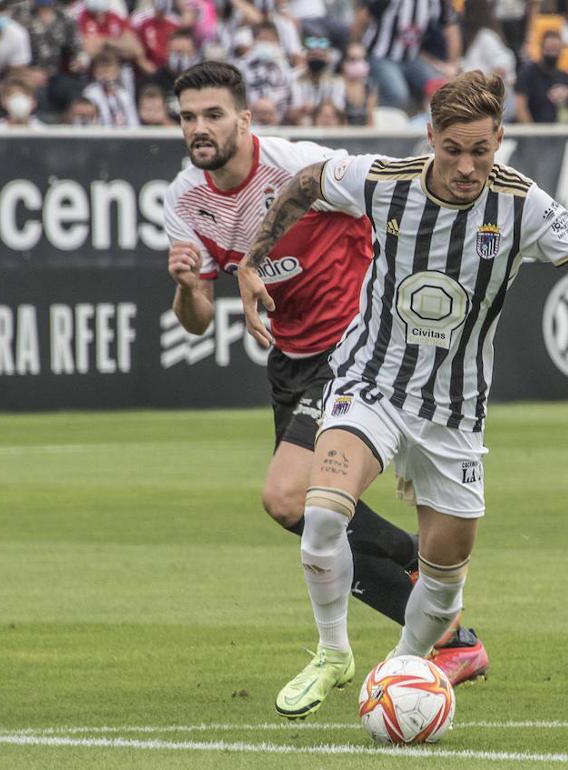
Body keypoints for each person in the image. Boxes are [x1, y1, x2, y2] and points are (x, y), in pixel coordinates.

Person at [235, 71, 568, 719]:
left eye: (482, 149)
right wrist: (252, 260)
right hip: (371, 382)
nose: (468, 166)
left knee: (444, 583)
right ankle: (334, 652)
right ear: (431, 138)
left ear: (500, 139)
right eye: (453, 149)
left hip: (454, 412)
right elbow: (305, 184)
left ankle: (400, 670)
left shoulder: (524, 205)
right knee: (324, 511)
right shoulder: (384, 181)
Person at [164, 62, 490, 701]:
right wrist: (185, 287)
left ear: (244, 119)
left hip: (354, 349)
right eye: (187, 117)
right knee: (308, 516)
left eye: (213, 115)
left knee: (289, 498)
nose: (199, 129)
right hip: (288, 362)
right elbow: (198, 321)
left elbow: (396, 191)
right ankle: (449, 632)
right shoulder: (184, 200)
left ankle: (393, 603)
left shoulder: (297, 166)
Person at [513, 29, 568, 123]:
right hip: (534, 129)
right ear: (542, 49)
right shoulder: (527, 73)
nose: (552, 53)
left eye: (555, 49)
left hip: (559, 131)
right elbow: (520, 105)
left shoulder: (565, 77)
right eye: (549, 49)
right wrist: (531, 133)